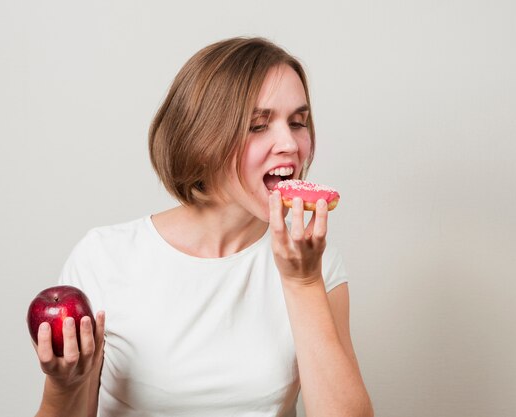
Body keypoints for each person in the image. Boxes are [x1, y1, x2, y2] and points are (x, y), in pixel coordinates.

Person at [31, 37, 374, 417]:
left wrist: (303, 283)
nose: (289, 144)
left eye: (298, 122)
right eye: (258, 125)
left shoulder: (313, 261)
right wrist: (64, 388)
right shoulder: (105, 257)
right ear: (203, 139)